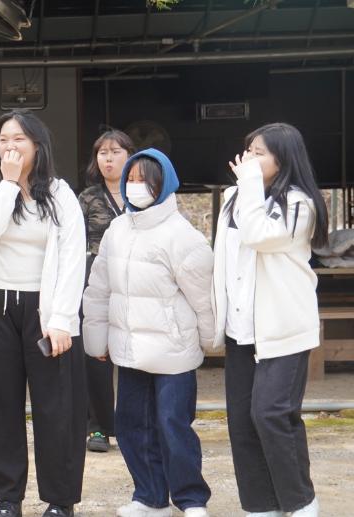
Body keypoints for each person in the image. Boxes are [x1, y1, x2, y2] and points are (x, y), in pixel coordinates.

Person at [0, 109, 87, 517]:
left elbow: (72, 258)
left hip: (45, 310)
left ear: (37, 146)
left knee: (56, 407)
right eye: (3, 140)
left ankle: (60, 500)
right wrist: (9, 184)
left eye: (18, 139)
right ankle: (7, 497)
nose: (9, 147)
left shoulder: (61, 194)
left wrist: (62, 319)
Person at [82, 148, 214, 517]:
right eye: (131, 179)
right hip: (130, 349)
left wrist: (209, 340)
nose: (136, 186)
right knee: (130, 425)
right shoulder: (117, 230)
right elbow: (99, 289)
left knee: (173, 425)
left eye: (145, 180)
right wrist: (96, 339)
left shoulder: (182, 235)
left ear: (164, 184)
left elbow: (203, 298)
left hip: (173, 351)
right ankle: (150, 497)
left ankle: (191, 499)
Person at [214, 123, 328, 517]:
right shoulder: (234, 198)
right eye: (248, 150)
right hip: (240, 328)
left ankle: (300, 501)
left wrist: (247, 184)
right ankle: (261, 505)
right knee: (242, 421)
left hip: (283, 328)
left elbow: (258, 235)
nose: (248, 158)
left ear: (284, 158)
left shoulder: (300, 204)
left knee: (272, 414)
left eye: (259, 152)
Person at [77, 128, 135, 453]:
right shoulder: (87, 198)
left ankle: (133, 424)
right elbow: (73, 243)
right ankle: (97, 427)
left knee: (135, 351)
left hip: (137, 280)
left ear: (130, 155)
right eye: (102, 153)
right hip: (96, 278)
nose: (108, 159)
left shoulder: (143, 193)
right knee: (96, 354)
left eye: (115, 152)